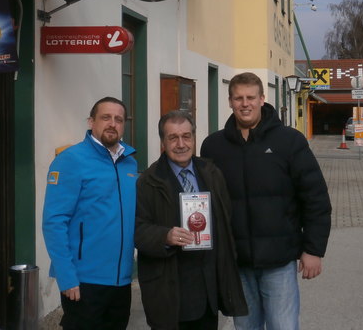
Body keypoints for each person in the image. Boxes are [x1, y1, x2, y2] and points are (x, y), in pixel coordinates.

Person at [200, 72, 332, 330]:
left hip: (279, 262)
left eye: (250, 97)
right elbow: (207, 204)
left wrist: (313, 249)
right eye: (238, 98)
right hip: (237, 263)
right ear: (230, 101)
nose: (245, 103)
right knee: (246, 327)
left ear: (262, 99)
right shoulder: (213, 147)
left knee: (283, 326)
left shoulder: (289, 141)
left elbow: (315, 198)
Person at [135, 111, 248, 330]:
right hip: (170, 289)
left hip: (207, 289)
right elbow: (138, 230)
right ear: (163, 142)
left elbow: (226, 222)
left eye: (186, 136)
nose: (181, 144)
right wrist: (165, 236)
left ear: (194, 138)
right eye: (173, 137)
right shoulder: (148, 181)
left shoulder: (212, 172)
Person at [42, 97, 138, 330]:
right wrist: (66, 277)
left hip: (121, 280)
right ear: (91, 122)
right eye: (106, 117)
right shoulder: (71, 160)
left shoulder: (130, 164)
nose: (112, 124)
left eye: (118, 119)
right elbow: (54, 222)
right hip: (84, 281)